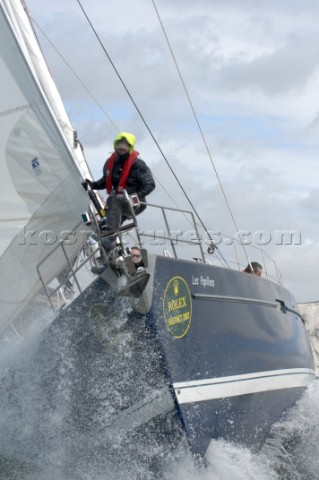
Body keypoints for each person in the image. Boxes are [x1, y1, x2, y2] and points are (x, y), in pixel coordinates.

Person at [82, 132, 155, 234]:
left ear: (130, 148)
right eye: (119, 147)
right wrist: (93, 185)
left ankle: (111, 228)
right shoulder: (110, 163)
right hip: (117, 202)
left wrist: (136, 196)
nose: (121, 150)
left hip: (134, 203)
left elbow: (150, 184)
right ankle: (109, 244)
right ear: (115, 146)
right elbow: (105, 180)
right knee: (105, 224)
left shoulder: (138, 165)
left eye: (124, 148)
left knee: (114, 200)